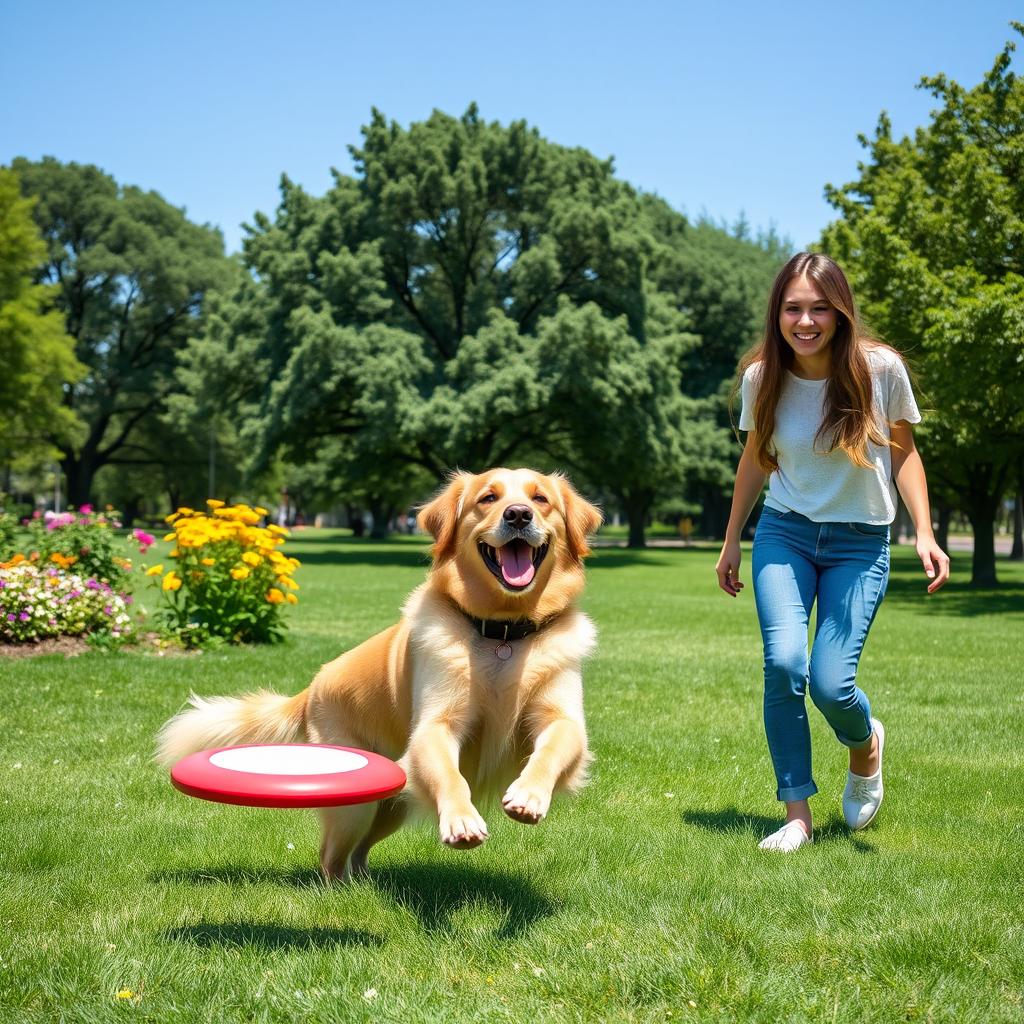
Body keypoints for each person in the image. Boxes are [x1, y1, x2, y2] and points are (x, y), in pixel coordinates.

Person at [715, 252, 949, 852]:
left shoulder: (880, 370)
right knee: (785, 665)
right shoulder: (761, 378)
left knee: (830, 683)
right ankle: (797, 815)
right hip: (785, 533)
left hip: (859, 542)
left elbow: (904, 453)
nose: (807, 320)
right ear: (778, 313)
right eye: (793, 308)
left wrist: (923, 531)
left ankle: (865, 744)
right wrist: (732, 538)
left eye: (820, 307)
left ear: (840, 311)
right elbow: (755, 459)